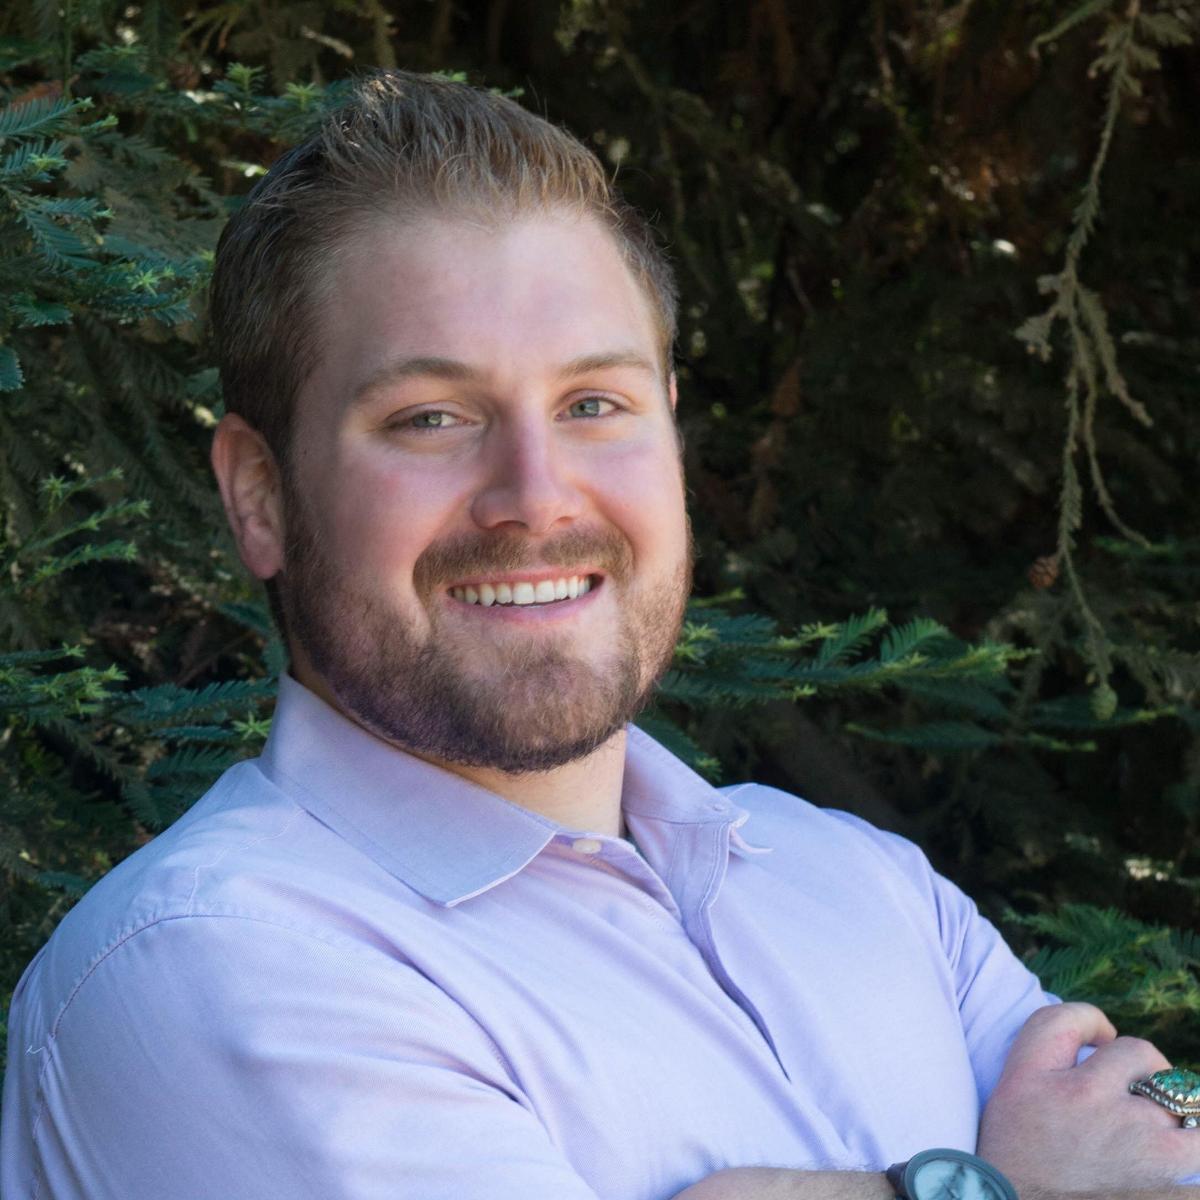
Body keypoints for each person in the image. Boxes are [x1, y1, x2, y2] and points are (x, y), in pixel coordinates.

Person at [2, 70, 1198, 1200]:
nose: (536, 495)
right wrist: (1007, 1184)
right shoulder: (206, 964)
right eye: (430, 417)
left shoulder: (862, 885)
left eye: (592, 404)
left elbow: (1159, 1152)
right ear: (260, 495)